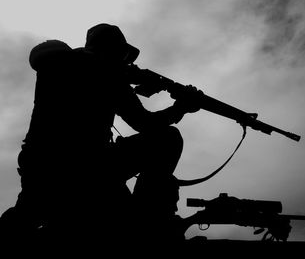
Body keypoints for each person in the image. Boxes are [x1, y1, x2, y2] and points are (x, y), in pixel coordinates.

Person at [0, 23, 202, 251]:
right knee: (167, 139)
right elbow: (145, 124)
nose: (127, 61)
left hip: (40, 168)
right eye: (124, 54)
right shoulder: (108, 71)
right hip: (88, 169)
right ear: (113, 49)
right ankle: (151, 221)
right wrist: (181, 108)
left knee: (26, 216)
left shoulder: (60, 66)